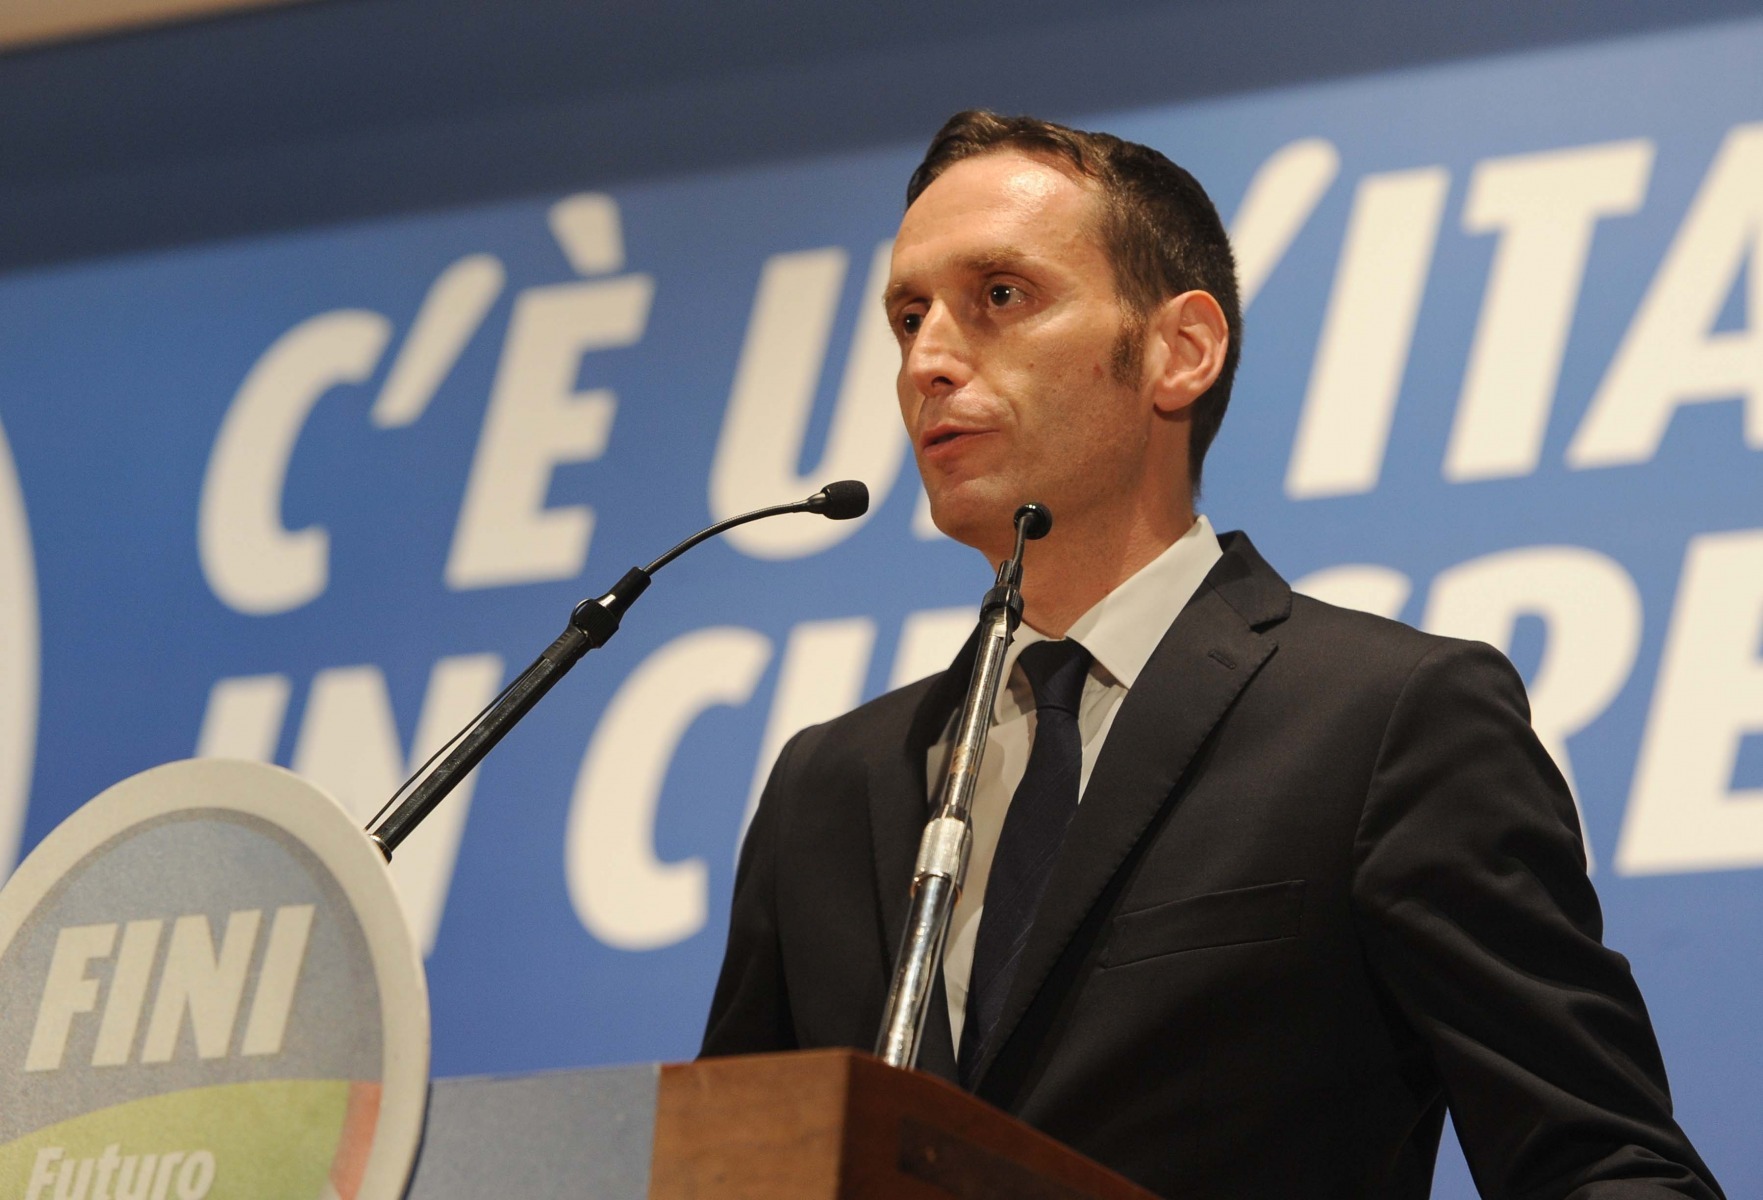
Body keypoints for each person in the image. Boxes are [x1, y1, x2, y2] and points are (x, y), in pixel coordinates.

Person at [700, 110, 1723, 1199]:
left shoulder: (1385, 722)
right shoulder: (827, 784)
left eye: (999, 295)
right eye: (908, 317)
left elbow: (1605, 1164)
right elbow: (723, 1166)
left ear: (1179, 350)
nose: (928, 361)